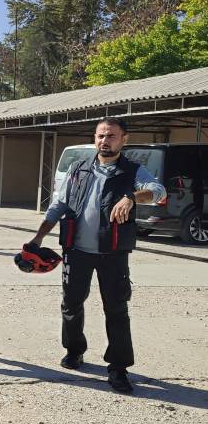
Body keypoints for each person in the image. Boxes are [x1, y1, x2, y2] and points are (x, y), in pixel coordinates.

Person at [28, 117, 165, 393]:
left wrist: (131, 198)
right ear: (95, 138)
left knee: (116, 309)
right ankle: (74, 350)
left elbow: (158, 191)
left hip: (112, 254)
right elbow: (59, 204)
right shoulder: (79, 169)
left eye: (111, 136)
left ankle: (118, 368)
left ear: (123, 139)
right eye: (101, 135)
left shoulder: (133, 171)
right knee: (71, 303)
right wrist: (39, 235)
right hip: (76, 251)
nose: (105, 140)